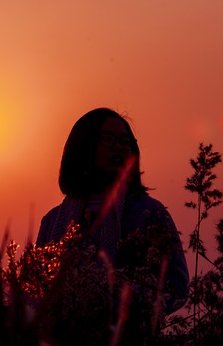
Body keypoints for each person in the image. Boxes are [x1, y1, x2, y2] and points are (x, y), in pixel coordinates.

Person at [36, 108, 189, 343]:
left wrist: (118, 306)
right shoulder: (53, 221)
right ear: (84, 145)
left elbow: (176, 286)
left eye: (125, 142)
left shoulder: (149, 213)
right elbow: (36, 290)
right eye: (108, 139)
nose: (119, 147)